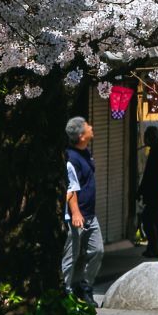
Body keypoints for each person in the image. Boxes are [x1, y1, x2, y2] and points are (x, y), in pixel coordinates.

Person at [62, 115, 103, 301]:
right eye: (87, 126)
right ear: (81, 135)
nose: (91, 127)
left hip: (90, 213)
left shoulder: (86, 152)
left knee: (97, 250)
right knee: (71, 255)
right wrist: (76, 212)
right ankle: (64, 291)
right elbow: (71, 187)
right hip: (75, 216)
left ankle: (85, 285)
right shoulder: (71, 158)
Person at [138, 125, 158, 257]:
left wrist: (141, 191)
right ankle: (156, 247)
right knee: (155, 221)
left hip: (156, 195)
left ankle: (155, 248)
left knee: (150, 221)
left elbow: (150, 176)